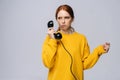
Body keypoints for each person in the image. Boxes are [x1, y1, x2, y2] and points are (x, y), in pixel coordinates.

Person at [42, 4, 110, 80]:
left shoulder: (81, 38)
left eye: (66, 17)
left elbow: (84, 65)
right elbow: (48, 63)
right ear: (56, 20)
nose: (63, 21)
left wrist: (99, 50)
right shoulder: (51, 38)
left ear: (72, 19)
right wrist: (53, 40)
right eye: (59, 18)